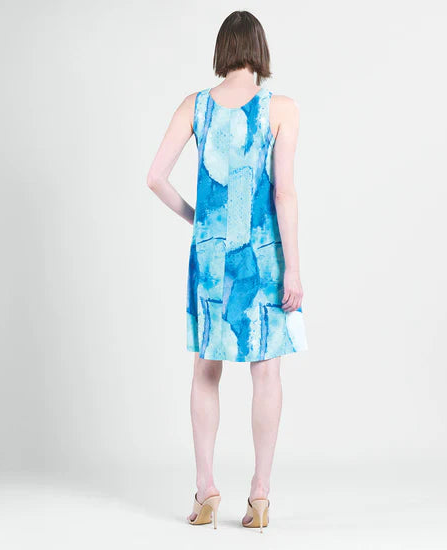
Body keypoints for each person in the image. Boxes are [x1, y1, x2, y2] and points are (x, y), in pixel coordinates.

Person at [147, 10, 308, 531]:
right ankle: (260, 495)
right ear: (260, 50)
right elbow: (284, 194)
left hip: (211, 256)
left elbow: (155, 177)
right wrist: (294, 269)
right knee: (267, 372)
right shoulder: (281, 108)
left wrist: (199, 219)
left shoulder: (194, 106)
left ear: (222, 49)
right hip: (262, 255)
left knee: (205, 370)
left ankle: (206, 491)